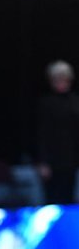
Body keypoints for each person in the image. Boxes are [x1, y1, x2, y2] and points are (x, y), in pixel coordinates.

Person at [37, 60, 79, 205]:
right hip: (53, 160)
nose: (61, 82)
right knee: (53, 197)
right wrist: (43, 162)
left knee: (71, 197)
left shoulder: (75, 102)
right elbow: (42, 134)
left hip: (72, 159)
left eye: (64, 78)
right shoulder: (45, 104)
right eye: (57, 79)